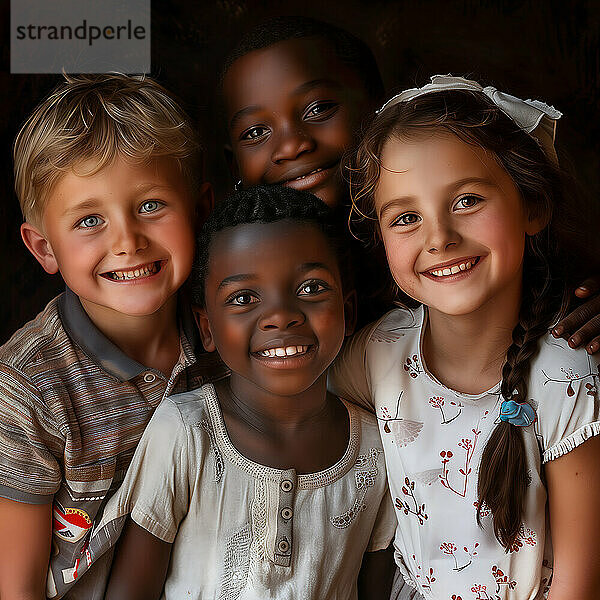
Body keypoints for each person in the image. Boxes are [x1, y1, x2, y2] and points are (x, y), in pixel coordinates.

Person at [330, 75, 600, 599]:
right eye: (406, 217)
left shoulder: (567, 375)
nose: (439, 237)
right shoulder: (379, 353)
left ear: (533, 207)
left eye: (468, 200)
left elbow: (580, 586)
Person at [221, 15, 600, 353]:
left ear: (379, 110)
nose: (291, 145)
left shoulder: (508, 257)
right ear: (231, 162)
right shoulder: (230, 277)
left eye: (319, 109)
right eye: (255, 132)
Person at [98, 186, 397, 600]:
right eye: (243, 298)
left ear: (347, 311)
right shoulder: (186, 433)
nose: (281, 316)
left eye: (311, 288)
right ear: (206, 327)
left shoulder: (378, 450)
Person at [0, 74, 222, 599]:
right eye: (90, 220)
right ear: (44, 249)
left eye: (150, 206)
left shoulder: (230, 335)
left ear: (201, 210)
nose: (127, 240)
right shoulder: (27, 386)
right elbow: (17, 586)